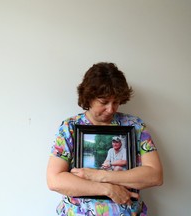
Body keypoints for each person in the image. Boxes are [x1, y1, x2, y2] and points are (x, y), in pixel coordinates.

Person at [46, 62, 163, 215]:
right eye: (104, 102)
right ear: (88, 98)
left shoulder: (135, 126)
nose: (111, 109)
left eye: (116, 102)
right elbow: (55, 180)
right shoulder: (70, 127)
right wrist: (108, 189)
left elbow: (155, 175)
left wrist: (98, 175)